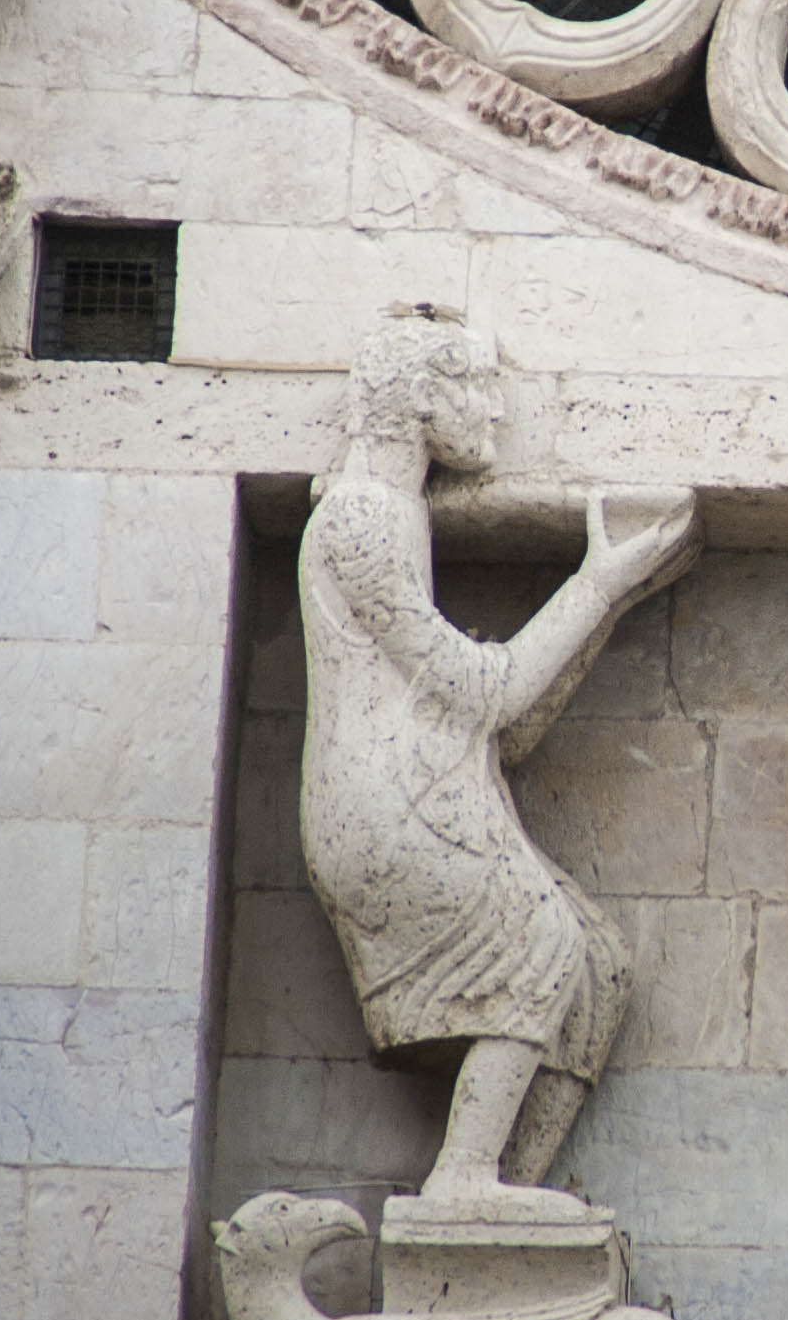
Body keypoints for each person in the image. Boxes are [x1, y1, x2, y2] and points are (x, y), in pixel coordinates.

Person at [298, 308, 700, 1202]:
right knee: (538, 942)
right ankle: (463, 1181)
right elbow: (494, 695)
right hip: (385, 805)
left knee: (595, 966)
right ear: (417, 399)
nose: (497, 411)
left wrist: (609, 599)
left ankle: (496, 1208)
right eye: (476, 386)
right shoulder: (361, 520)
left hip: (434, 787)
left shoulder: (396, 513)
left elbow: (505, 726)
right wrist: (599, 581)